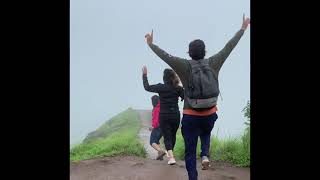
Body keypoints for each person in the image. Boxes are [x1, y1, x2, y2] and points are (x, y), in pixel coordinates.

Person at [144, 14, 250, 180]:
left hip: (191, 116)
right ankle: (205, 155)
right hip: (209, 113)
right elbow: (229, 46)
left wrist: (151, 45)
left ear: (189, 52)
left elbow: (165, 56)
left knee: (190, 151)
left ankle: (193, 177)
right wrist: (243, 28)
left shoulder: (183, 65)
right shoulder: (214, 62)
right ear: (205, 51)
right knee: (206, 132)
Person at [142, 65, 184, 165]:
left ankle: (171, 157)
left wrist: (144, 75)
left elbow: (147, 87)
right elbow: (186, 97)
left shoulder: (161, 87)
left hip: (164, 116)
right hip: (175, 115)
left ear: (164, 77)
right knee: (172, 136)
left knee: (167, 137)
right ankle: (171, 154)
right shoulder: (177, 88)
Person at [149, 95, 166, 160]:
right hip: (163, 127)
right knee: (157, 141)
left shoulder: (156, 108)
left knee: (152, 142)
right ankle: (160, 156)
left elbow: (156, 119)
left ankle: (161, 151)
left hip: (157, 127)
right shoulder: (162, 107)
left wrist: (154, 127)